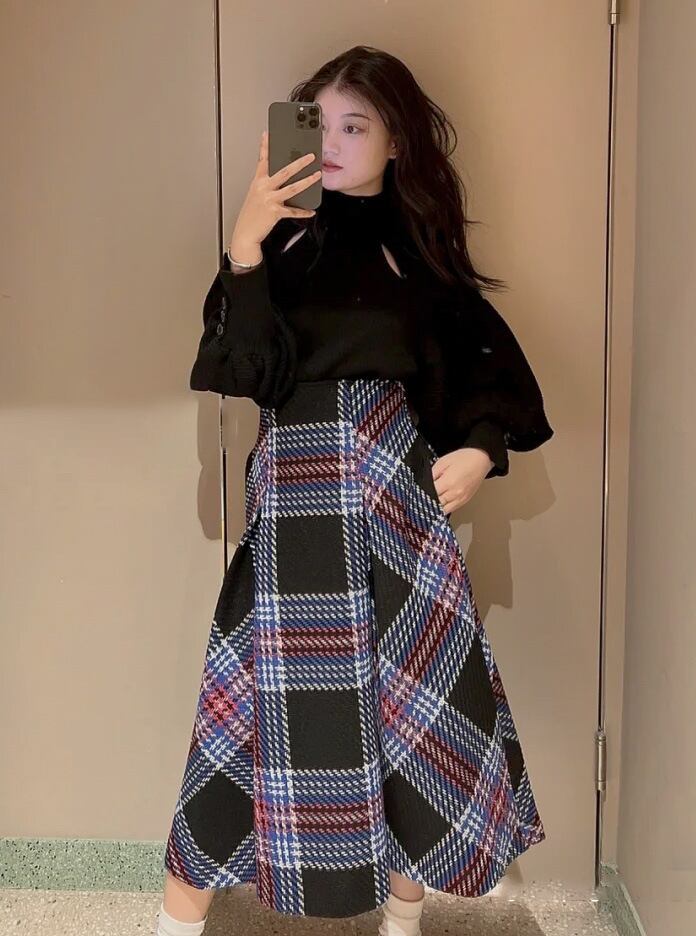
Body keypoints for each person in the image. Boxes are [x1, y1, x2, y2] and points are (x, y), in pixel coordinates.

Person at [157, 45, 553, 936]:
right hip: (297, 499)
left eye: (355, 125)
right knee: (248, 718)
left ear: (396, 140)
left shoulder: (421, 256)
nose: (332, 143)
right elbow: (242, 371)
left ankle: (402, 924)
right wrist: (246, 244)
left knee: (416, 709)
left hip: (396, 499)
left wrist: (481, 449)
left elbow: (483, 366)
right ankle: (174, 925)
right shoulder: (280, 243)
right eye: (319, 124)